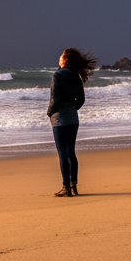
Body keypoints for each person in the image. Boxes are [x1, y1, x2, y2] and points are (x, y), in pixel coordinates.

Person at [47, 46, 96, 197]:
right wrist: (72, 109)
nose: (59, 57)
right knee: (71, 153)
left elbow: (55, 99)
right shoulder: (76, 76)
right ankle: (74, 185)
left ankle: (65, 187)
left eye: (62, 56)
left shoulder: (57, 76)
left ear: (66, 60)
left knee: (63, 154)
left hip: (60, 120)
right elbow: (81, 100)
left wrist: (49, 113)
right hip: (73, 119)